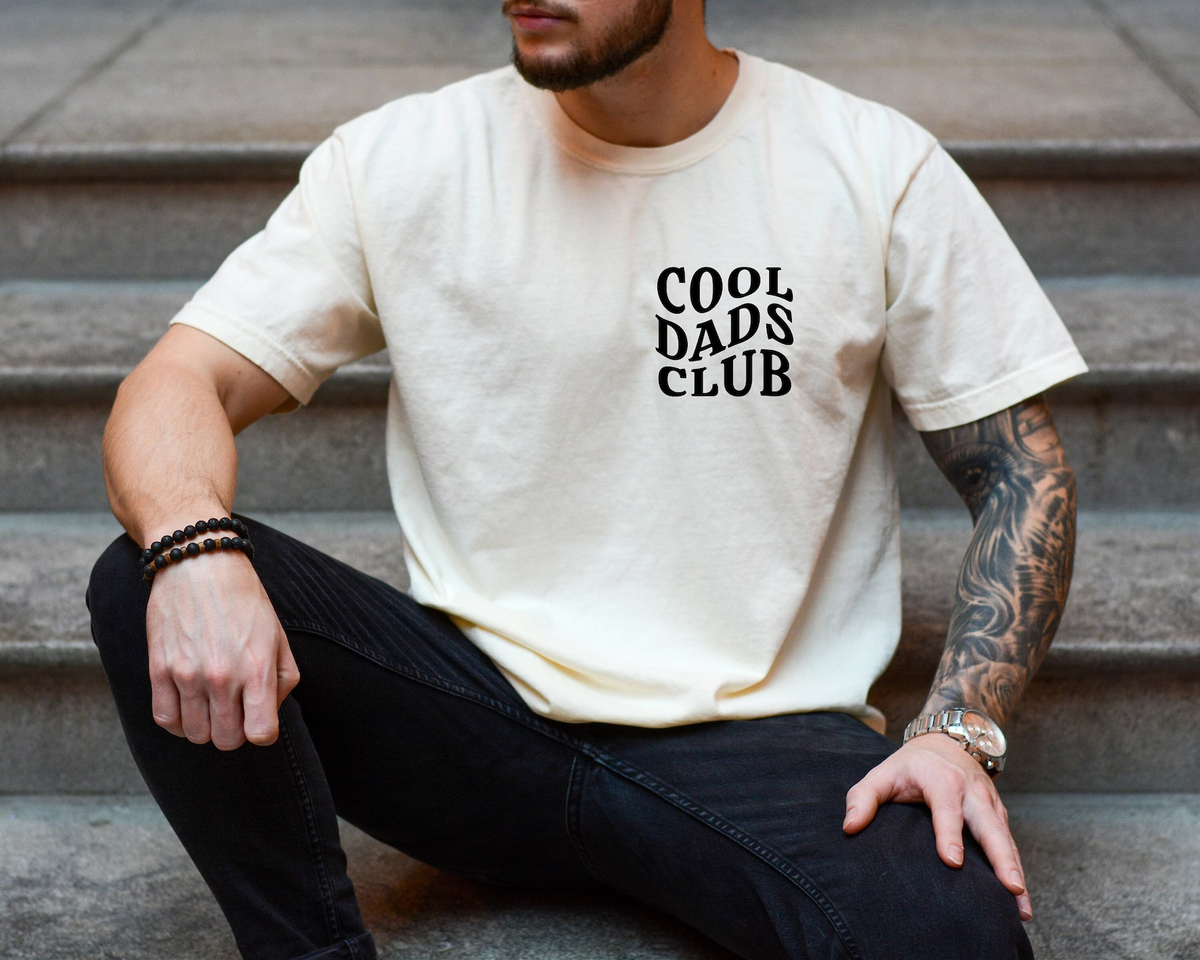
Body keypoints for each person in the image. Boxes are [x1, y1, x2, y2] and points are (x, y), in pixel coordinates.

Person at [88, 1, 1086, 957]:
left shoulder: (871, 164)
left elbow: (1020, 471)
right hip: (475, 718)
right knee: (149, 571)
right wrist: (192, 546)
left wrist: (960, 728)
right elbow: (179, 379)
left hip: (758, 745)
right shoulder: (400, 159)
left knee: (950, 930)